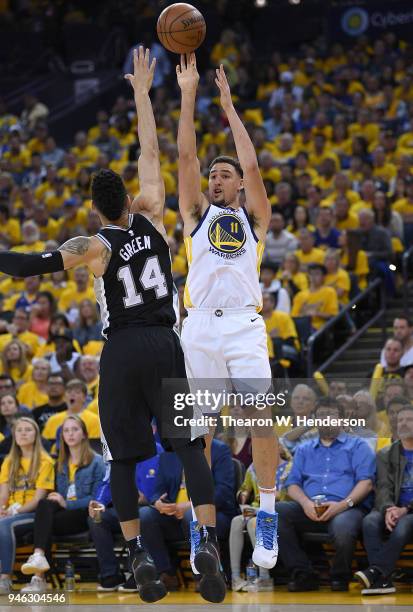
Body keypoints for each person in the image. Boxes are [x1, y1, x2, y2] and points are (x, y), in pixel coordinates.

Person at [0, 47, 223, 604]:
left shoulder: (92, 248)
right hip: (166, 341)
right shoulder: (153, 218)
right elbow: (151, 149)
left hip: (121, 349)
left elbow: (30, 264)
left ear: (96, 210)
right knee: (191, 449)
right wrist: (143, 92)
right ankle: (211, 542)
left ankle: (134, 554)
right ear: (129, 200)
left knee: (123, 459)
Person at [177, 54, 279, 571]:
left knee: (262, 417)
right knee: (201, 430)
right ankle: (201, 528)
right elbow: (186, 156)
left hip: (242, 323)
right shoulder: (196, 214)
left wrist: (229, 108)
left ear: (239, 185)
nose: (216, 180)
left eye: (225, 175)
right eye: (214, 175)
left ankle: (267, 512)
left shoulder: (255, 219)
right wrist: (189, 94)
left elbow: (255, 164)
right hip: (198, 327)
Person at [275, 398, 375, 592]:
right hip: (310, 508)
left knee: (343, 527)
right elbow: (292, 484)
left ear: (342, 418)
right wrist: (305, 504)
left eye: (331, 415)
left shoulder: (358, 446)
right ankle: (303, 573)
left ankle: (339, 576)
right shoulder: (304, 449)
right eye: (321, 415)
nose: (326, 420)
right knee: (273, 513)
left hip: (346, 507)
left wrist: (342, 505)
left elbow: (367, 482)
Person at [20, 416, 105, 593]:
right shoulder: (59, 464)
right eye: (66, 430)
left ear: (84, 434)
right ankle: (39, 557)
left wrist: (66, 503)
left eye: (75, 429)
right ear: (62, 437)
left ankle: (39, 576)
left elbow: (97, 499)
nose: (70, 434)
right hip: (62, 517)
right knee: (45, 506)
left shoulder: (97, 462)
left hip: (84, 514)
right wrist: (59, 502)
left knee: (43, 519)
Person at [140, 438, 239, 590]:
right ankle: (166, 573)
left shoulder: (219, 449)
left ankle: (206, 575)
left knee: (191, 516)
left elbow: (224, 491)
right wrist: (158, 503)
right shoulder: (168, 452)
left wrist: (191, 506)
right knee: (145, 515)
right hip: (175, 513)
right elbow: (156, 490)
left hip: (214, 513)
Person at [88, 443, 164, 593]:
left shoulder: (158, 451)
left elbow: (164, 483)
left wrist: (149, 498)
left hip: (149, 507)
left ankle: (138, 573)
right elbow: (109, 481)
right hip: (124, 507)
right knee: (97, 519)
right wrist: (100, 501)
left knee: (142, 515)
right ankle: (110, 574)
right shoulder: (116, 449)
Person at [355, 405, 413, 595]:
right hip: (392, 507)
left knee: (404, 525)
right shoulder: (385, 454)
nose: (403, 423)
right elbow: (383, 487)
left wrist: (405, 509)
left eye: (409, 420)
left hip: (409, 511)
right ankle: (383, 580)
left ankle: (376, 573)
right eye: (400, 420)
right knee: (370, 521)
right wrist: (389, 508)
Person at [0, 417, 54, 595]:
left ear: (36, 435)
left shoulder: (45, 461)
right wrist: (3, 508)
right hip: (11, 512)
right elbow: (4, 494)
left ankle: (5, 578)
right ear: (14, 436)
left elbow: (39, 499)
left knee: (4, 524)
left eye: (28, 430)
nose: (23, 433)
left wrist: (15, 510)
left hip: (33, 515)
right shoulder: (9, 462)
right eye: (19, 430)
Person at [291, 263, 339, 331]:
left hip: (320, 328)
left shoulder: (329, 292)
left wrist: (316, 313)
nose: (313, 277)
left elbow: (333, 315)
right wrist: (305, 314)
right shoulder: (300, 295)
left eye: (317, 274)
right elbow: (294, 316)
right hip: (302, 326)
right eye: (311, 274)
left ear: (323, 277)